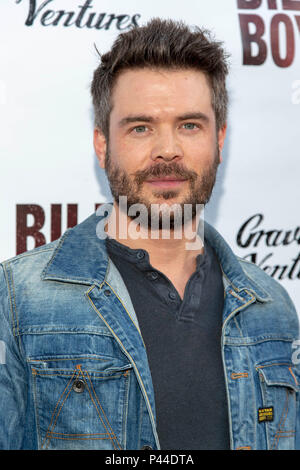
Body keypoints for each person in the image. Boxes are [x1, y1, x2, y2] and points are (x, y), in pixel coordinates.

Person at [0, 18, 299, 451]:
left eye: (190, 125)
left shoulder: (271, 307)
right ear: (102, 145)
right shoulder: (17, 299)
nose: (167, 149)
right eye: (140, 127)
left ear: (220, 138)